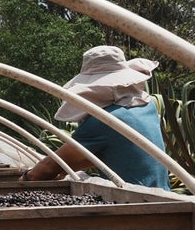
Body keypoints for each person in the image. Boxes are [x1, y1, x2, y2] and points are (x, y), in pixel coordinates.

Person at [23, 45, 171, 189]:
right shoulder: (147, 106)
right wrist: (62, 169)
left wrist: (26, 177)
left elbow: (45, 170)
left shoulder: (106, 120)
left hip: (135, 203)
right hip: (166, 198)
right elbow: (105, 156)